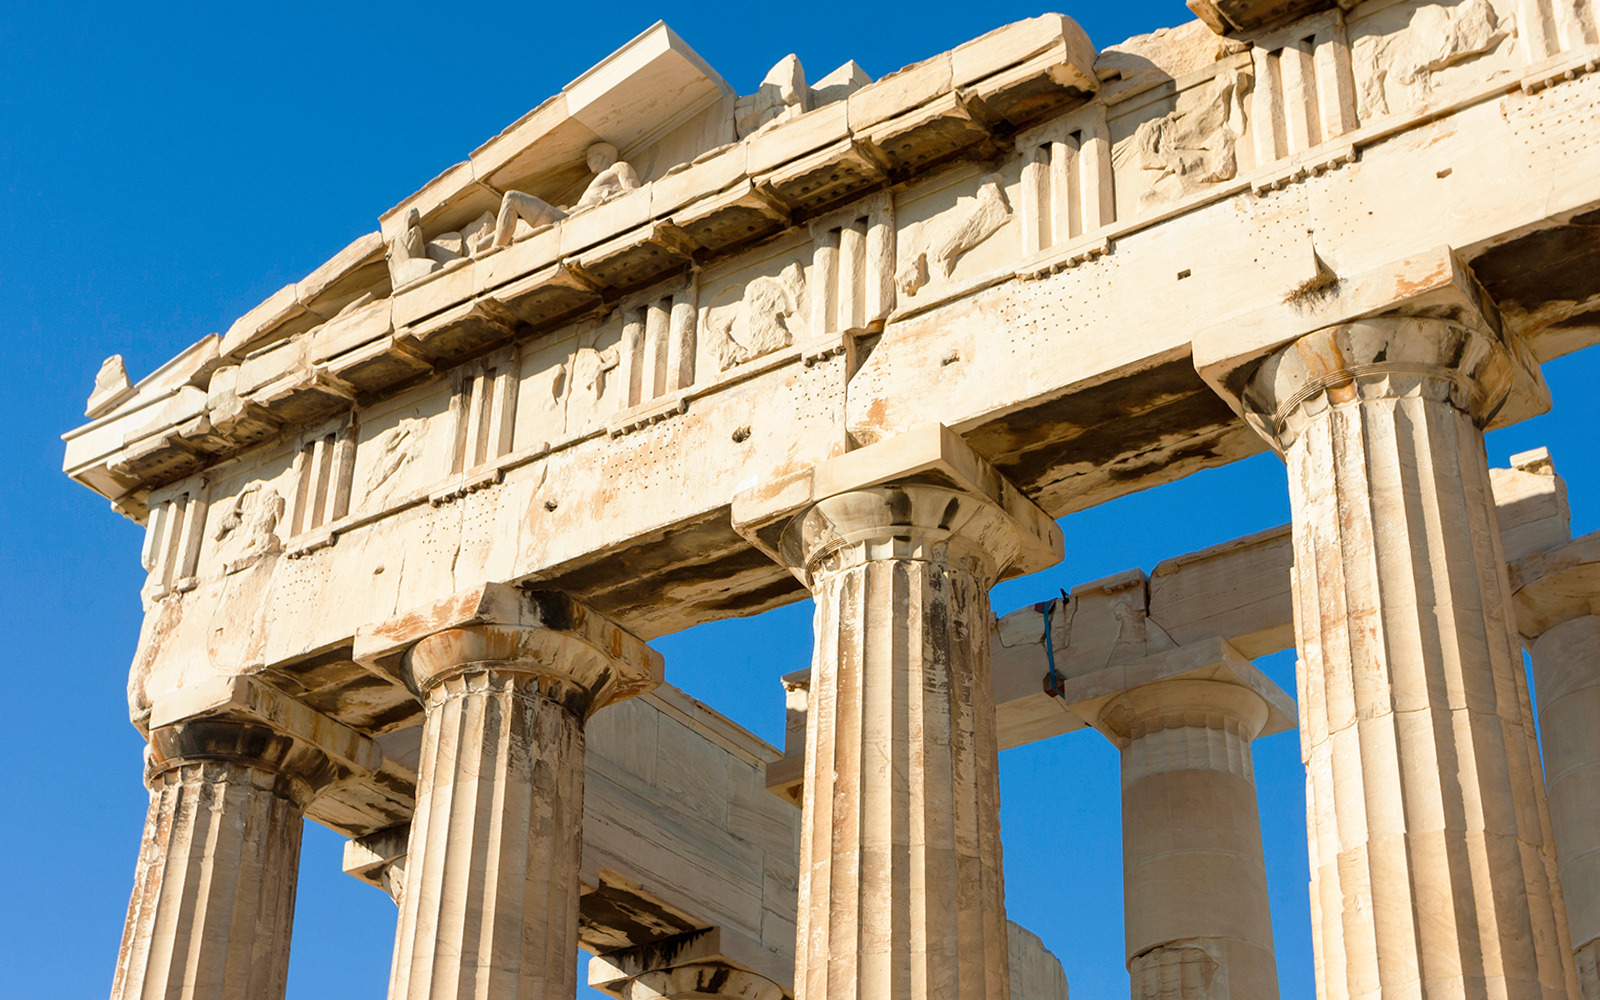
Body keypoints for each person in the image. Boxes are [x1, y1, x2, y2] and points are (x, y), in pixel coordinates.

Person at [493, 142, 640, 247]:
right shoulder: (599, 180)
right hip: (564, 215)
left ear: (603, 156)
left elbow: (633, 192)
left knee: (511, 198)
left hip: (564, 219)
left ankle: (494, 252)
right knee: (514, 225)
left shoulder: (618, 167)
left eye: (592, 156)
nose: (588, 160)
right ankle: (486, 250)